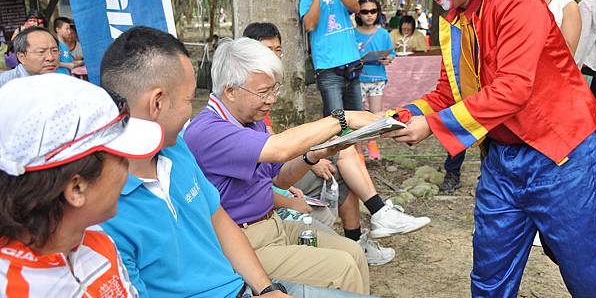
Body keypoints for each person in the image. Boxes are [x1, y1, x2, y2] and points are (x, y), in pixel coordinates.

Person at [388, 0, 596, 297]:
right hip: (502, 162)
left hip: (561, 155)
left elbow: (513, 88)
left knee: (588, 273)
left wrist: (433, 126)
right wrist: (401, 116)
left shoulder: (517, 3)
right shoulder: (453, 19)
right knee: (489, 278)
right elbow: (448, 92)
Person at [100, 27, 369, 298]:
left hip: (259, 245)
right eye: (189, 100)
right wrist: (342, 118)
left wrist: (266, 289)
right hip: (251, 242)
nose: (271, 99)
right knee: (341, 267)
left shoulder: (175, 151)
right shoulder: (205, 132)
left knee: (353, 254)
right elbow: (279, 149)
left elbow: (236, 205)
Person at [242, 23, 422, 267]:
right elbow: (274, 151)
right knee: (341, 155)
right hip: (265, 195)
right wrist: (311, 155)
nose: (275, 56)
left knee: (342, 152)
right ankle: (374, 219)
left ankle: (366, 229)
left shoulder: (258, 93)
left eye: (278, 49)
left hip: (273, 177)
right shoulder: (245, 98)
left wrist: (311, 156)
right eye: (267, 50)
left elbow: (273, 145)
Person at [0, 73, 164, 297]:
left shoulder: (97, 243)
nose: (128, 168)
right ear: (76, 188)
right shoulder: (13, 288)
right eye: (121, 158)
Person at [300, 0, 363, 117]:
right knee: (337, 123)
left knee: (357, 119)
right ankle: (337, 146)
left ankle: (358, 147)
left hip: (352, 61)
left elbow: (356, 8)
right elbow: (309, 26)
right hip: (327, 67)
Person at [354, 0, 395, 160]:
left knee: (376, 114)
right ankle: (358, 148)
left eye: (373, 11)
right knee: (358, 114)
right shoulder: (353, 33)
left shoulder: (383, 33)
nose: (369, 15)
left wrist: (388, 58)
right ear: (358, 13)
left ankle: (371, 142)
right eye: (364, 11)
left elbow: (390, 53)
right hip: (358, 79)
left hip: (377, 77)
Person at [575, 0, 596, 104]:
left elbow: (583, 39)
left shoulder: (588, 4)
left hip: (592, 68)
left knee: (590, 112)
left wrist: (574, 68)